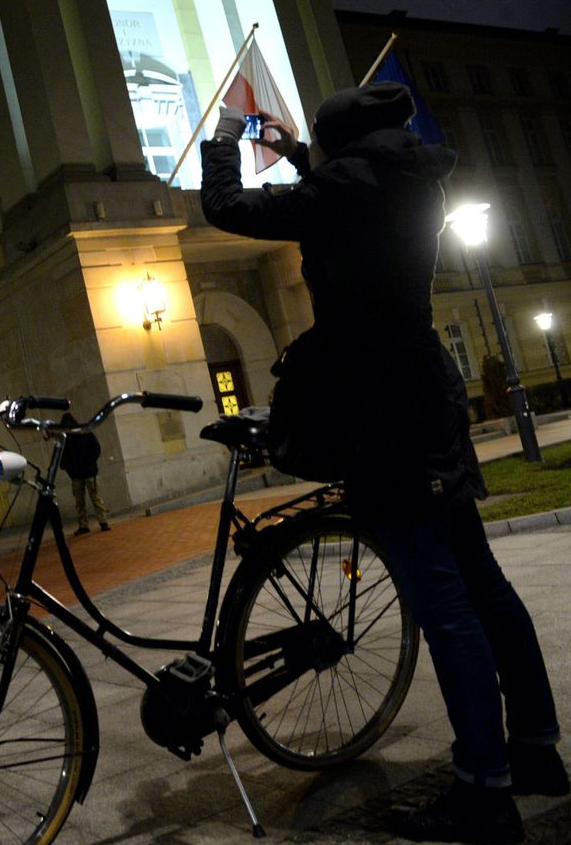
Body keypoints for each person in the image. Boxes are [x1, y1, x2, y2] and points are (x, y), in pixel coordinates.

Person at [200, 83, 566, 844]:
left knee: (444, 602)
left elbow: (230, 209)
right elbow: (340, 187)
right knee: (483, 585)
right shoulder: (400, 176)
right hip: (425, 392)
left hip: (381, 407)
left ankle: (484, 795)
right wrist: (300, 151)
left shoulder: (347, 188)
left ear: (342, 146)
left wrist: (227, 138)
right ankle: (535, 752)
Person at [59, 412, 111, 535]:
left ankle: (89, 524)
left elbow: (95, 449)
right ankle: (101, 522)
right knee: (91, 499)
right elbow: (96, 449)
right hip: (84, 473)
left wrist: (73, 468)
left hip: (84, 473)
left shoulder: (75, 435)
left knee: (85, 501)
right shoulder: (82, 433)